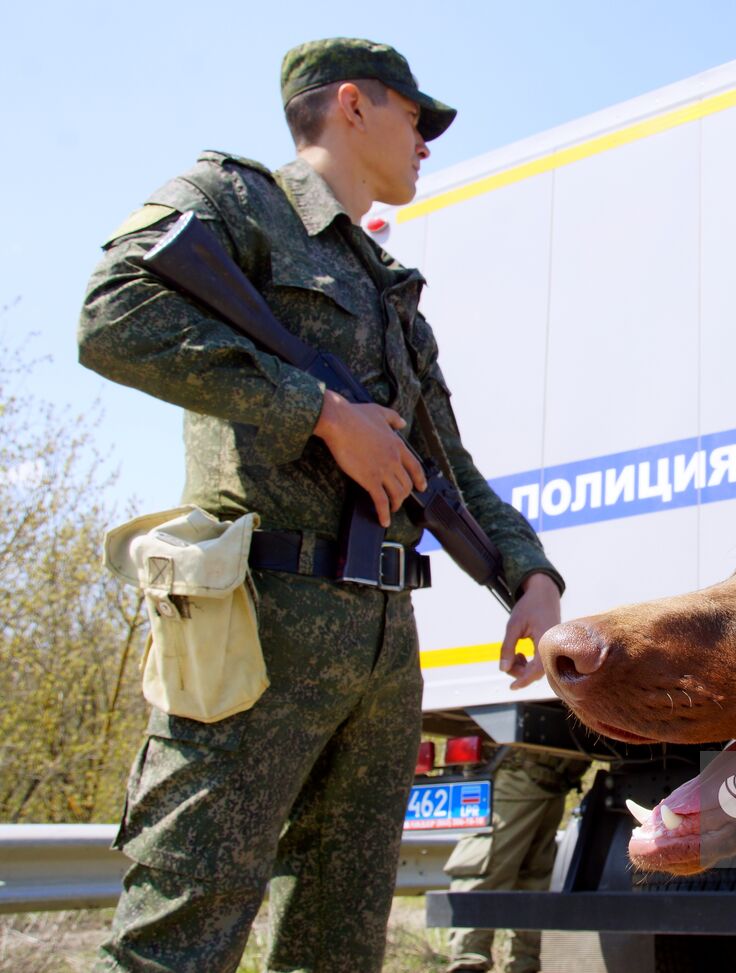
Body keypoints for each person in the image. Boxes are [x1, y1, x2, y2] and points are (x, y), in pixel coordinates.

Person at [78, 38, 564, 972]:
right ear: (351, 104)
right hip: (258, 625)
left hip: (381, 643)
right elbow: (112, 315)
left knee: (337, 946)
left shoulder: (389, 285)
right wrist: (323, 413)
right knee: (177, 939)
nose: (426, 142)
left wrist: (530, 577)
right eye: (415, 117)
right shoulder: (234, 201)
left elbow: (445, 466)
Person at [442, 746, 589, 973]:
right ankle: (468, 963)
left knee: (535, 878)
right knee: (489, 866)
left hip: (552, 778)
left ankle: (523, 964)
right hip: (518, 771)